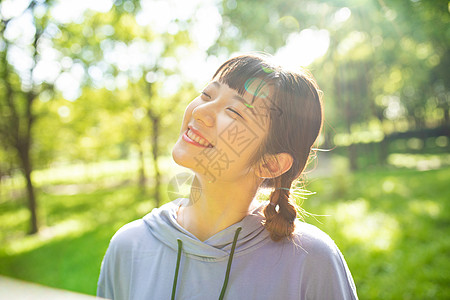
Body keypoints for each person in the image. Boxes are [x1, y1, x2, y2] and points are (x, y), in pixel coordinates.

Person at [97, 54, 358, 300]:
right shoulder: (129, 247)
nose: (200, 112)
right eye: (206, 94)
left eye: (234, 112)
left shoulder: (311, 260)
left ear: (271, 164)